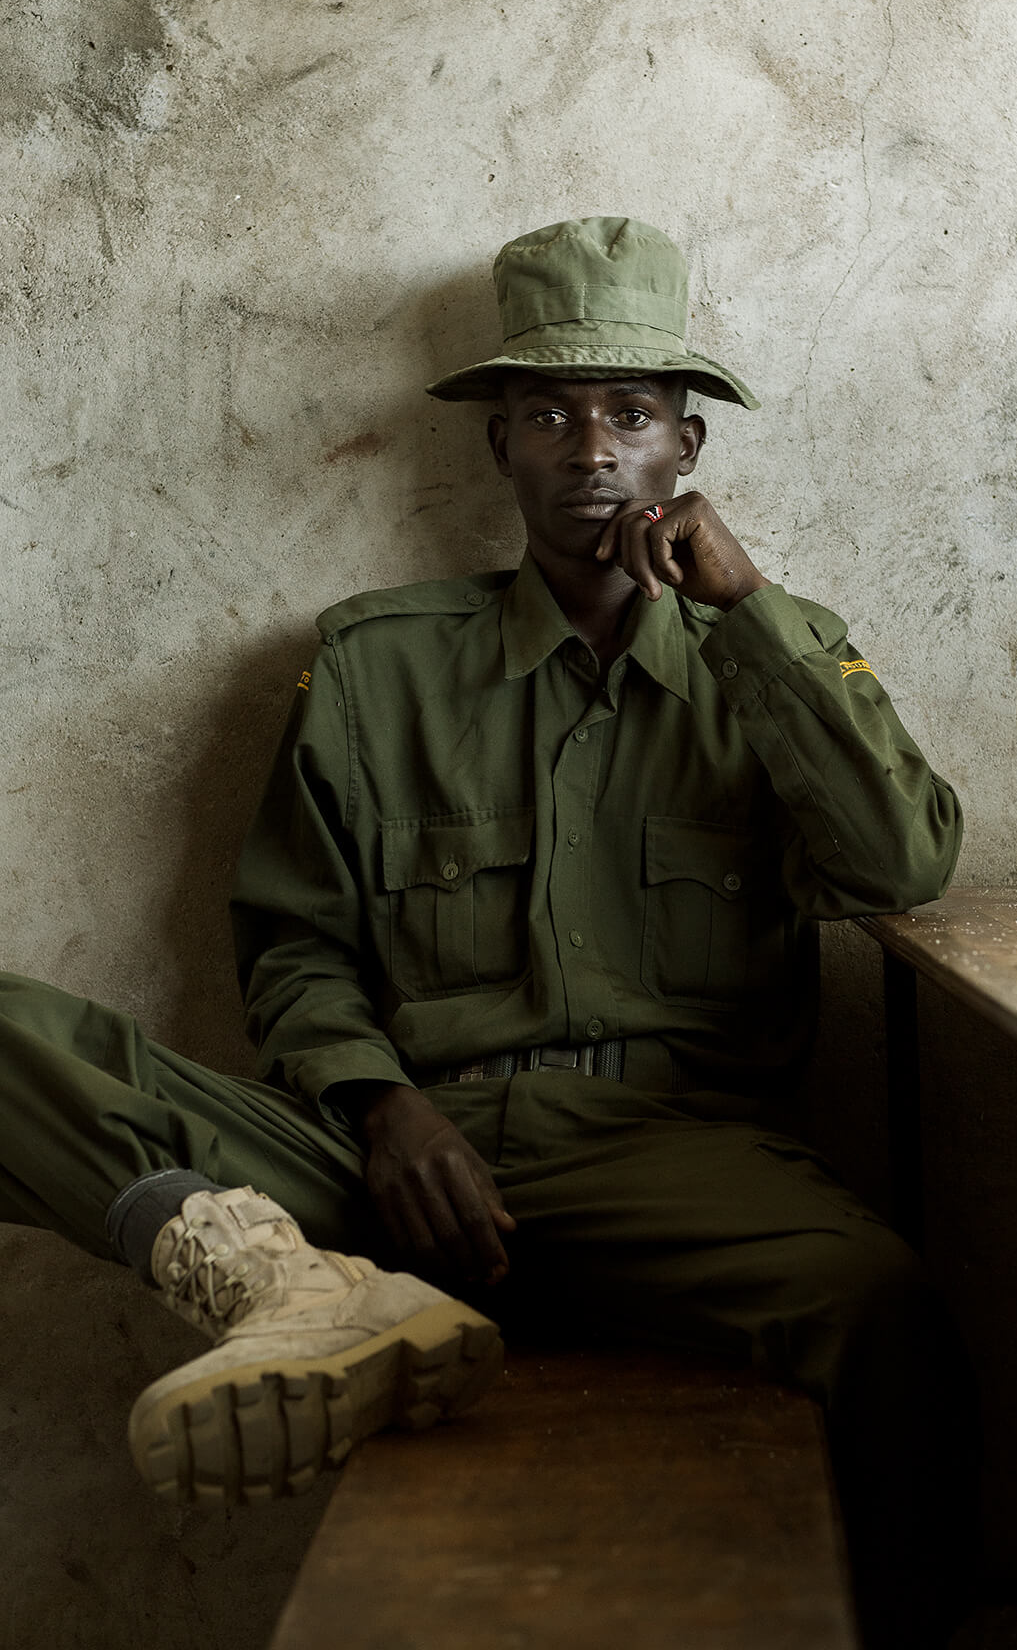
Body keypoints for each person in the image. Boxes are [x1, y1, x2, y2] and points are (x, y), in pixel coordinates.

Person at [0, 216, 968, 1645]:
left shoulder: (777, 649)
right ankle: (289, 1291)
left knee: (878, 1309)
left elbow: (903, 864)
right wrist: (384, 1109)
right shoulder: (376, 664)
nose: (591, 450)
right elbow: (297, 948)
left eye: (630, 413)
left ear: (685, 450)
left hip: (669, 1165)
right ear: (497, 450)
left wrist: (751, 613)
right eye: (548, 417)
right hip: (382, 1168)